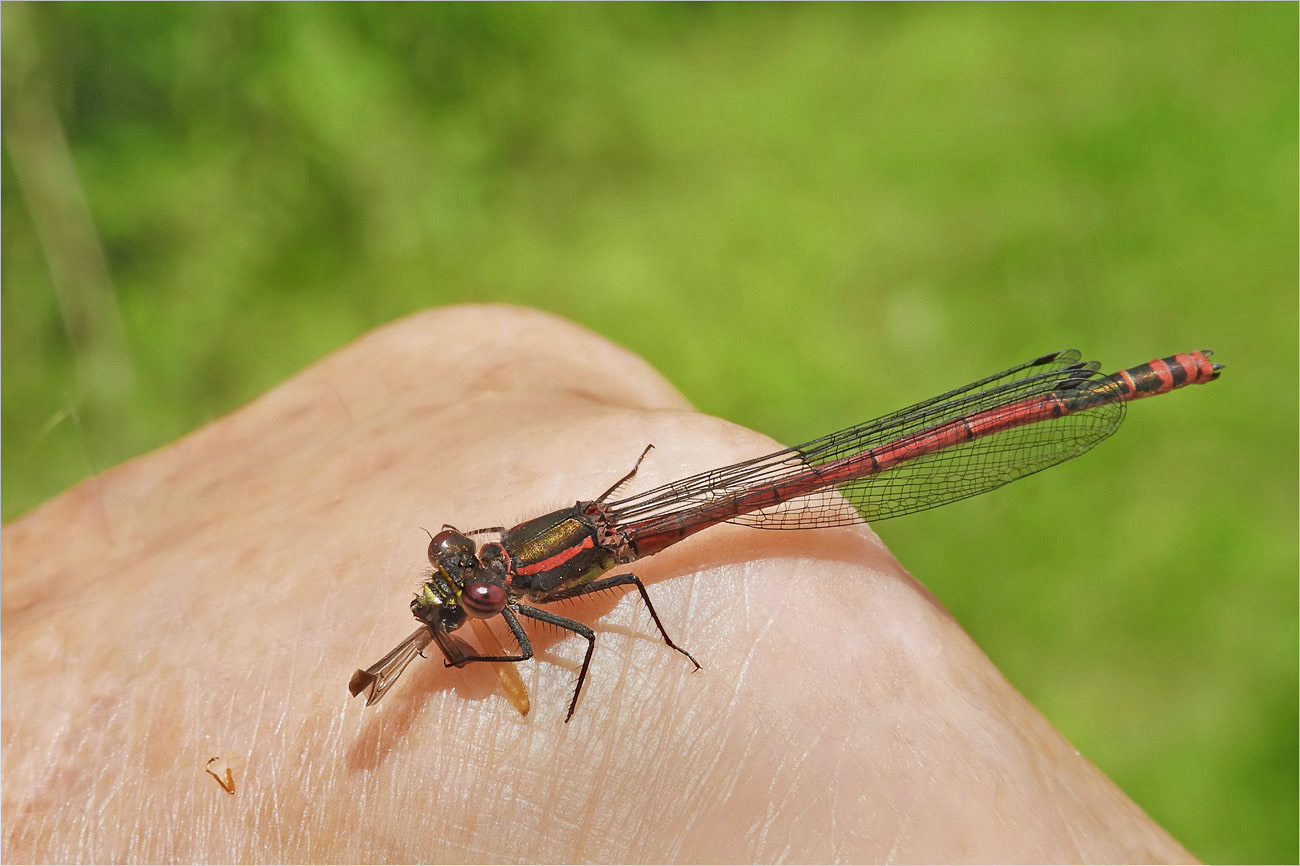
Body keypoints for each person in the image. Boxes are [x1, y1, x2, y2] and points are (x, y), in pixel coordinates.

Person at [1, 306, 1196, 863]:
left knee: (875, 458)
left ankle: (1105, 386)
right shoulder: (509, 582)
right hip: (619, 520)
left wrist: (635, 647)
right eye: (470, 579)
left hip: (673, 508)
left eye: (474, 579)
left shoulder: (541, 584)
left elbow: (572, 622)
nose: (475, 586)